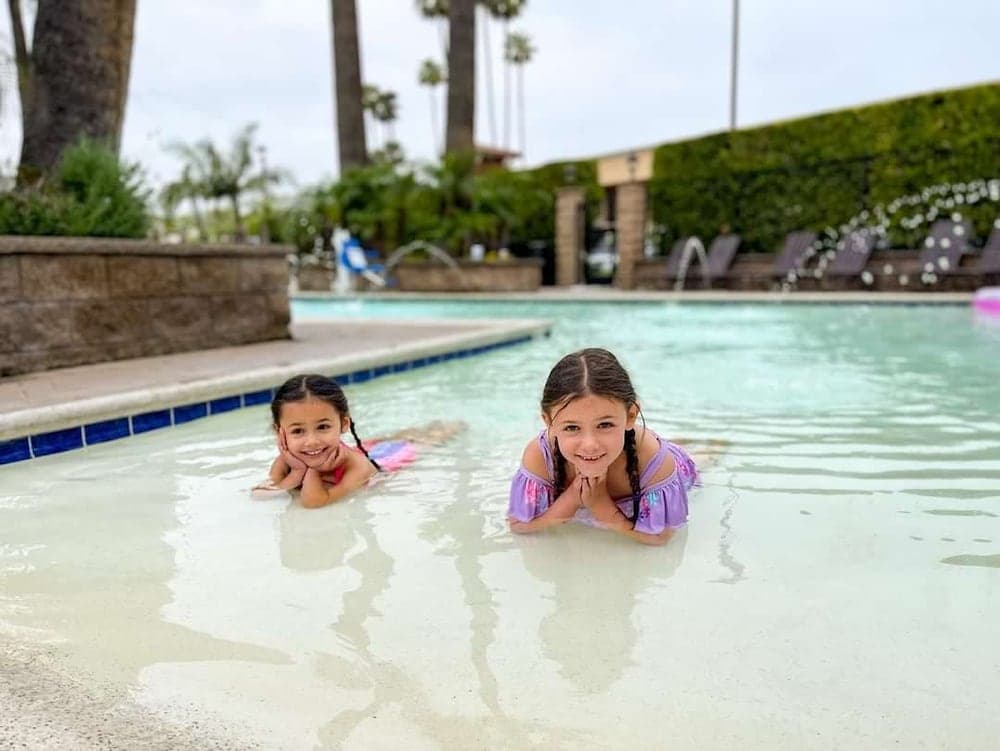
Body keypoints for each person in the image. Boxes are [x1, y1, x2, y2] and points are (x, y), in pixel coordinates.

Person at [508, 348, 698, 546]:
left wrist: (602, 507)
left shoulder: (653, 460)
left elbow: (660, 537)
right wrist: (571, 499)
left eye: (605, 425)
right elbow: (519, 525)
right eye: (572, 427)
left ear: (631, 416)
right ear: (549, 422)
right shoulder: (540, 456)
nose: (590, 445)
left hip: (676, 466)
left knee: (705, 458)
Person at [253, 373, 462, 508]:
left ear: (344, 424)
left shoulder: (357, 467)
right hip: (357, 449)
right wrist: (297, 470)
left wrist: (310, 469)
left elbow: (314, 502)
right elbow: (262, 493)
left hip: (385, 463)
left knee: (422, 442)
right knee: (392, 439)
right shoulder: (288, 458)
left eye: (323, 427)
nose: (312, 441)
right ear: (280, 433)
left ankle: (453, 426)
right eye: (298, 431)